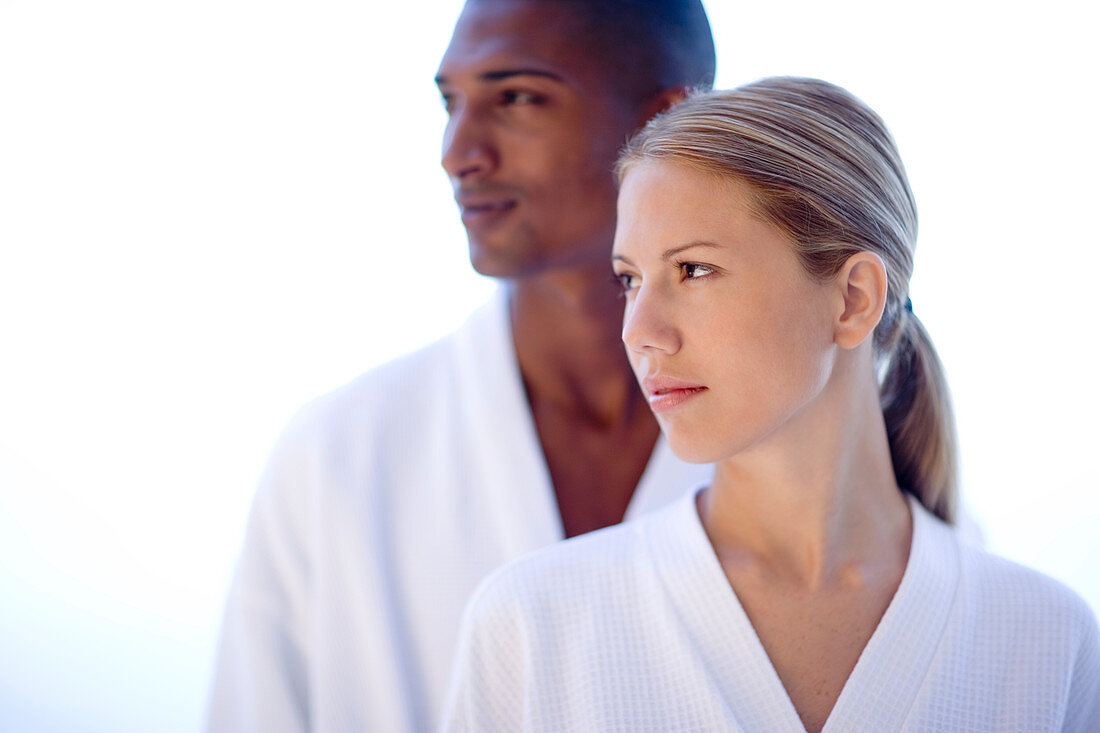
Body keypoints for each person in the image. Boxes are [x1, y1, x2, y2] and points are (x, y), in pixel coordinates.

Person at [441, 77, 1100, 732]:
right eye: (630, 280)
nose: (639, 330)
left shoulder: (1045, 641)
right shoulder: (534, 625)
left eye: (693, 270)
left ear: (853, 300)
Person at [205, 1, 717, 731]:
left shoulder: (800, 443)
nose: (458, 150)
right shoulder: (336, 456)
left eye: (517, 98)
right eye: (451, 102)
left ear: (668, 119)